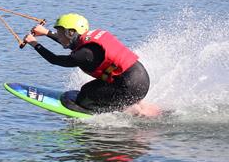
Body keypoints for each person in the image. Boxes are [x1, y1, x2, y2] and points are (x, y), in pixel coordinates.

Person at [23, 13, 152, 115]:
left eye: (61, 33)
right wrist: (46, 33)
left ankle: (114, 111)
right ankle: (135, 105)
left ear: (71, 32)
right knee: (90, 88)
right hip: (140, 80)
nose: (59, 36)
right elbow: (69, 43)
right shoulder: (87, 41)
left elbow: (55, 60)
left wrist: (34, 43)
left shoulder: (85, 53)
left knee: (84, 97)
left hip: (130, 87)